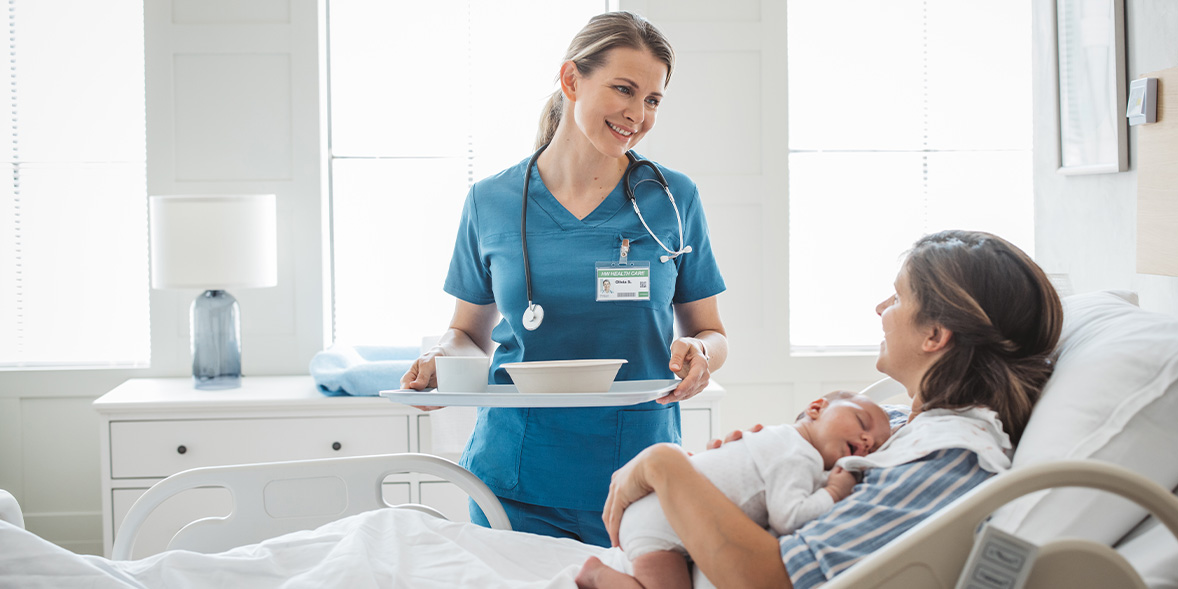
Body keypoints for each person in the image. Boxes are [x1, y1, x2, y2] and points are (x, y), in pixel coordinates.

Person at [399, 11, 728, 547]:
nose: (637, 114)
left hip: (637, 475)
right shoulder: (491, 201)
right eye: (624, 90)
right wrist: (443, 360)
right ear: (571, 80)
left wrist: (702, 352)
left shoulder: (673, 198)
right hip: (515, 476)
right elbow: (467, 334)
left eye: (652, 100)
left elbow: (711, 331)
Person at [576, 230, 1063, 588]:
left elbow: (774, 580)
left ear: (935, 335)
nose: (880, 309)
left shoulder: (950, 462)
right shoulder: (896, 427)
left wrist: (665, 467)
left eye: (898, 297)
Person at [608, 391, 892, 589]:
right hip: (657, 526)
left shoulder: (780, 437)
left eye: (877, 445)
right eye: (861, 422)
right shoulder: (799, 455)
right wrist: (834, 491)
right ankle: (598, 577)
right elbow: (789, 517)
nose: (868, 439)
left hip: (660, 509)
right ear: (816, 408)